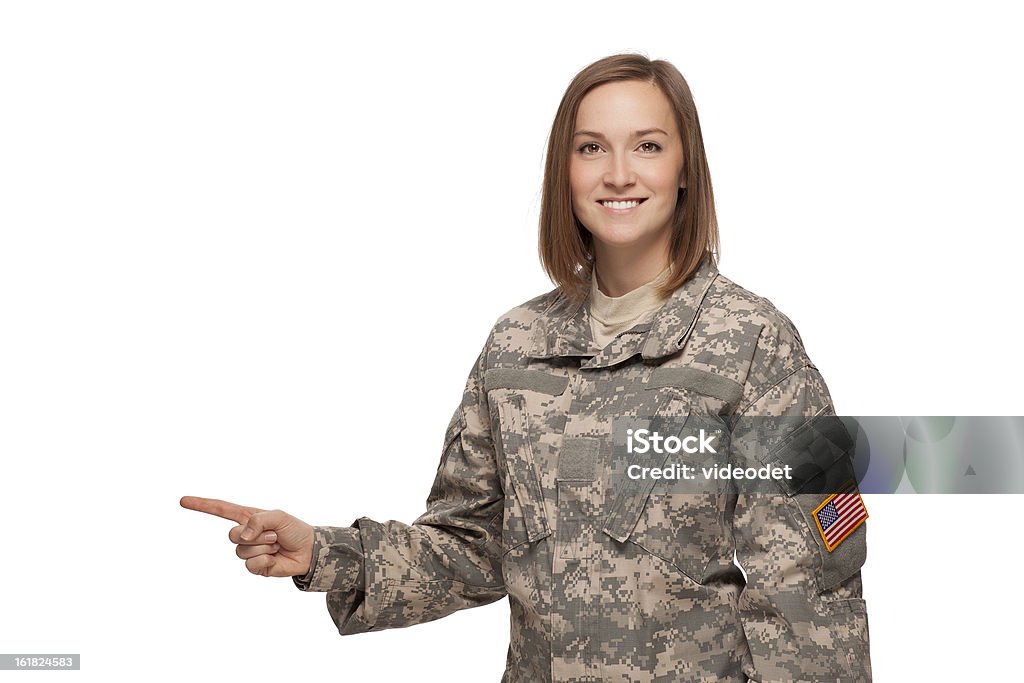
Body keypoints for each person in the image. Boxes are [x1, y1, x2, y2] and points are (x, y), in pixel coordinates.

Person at [181, 53, 871, 682]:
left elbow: (812, 586)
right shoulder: (516, 347)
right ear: (563, 169)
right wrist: (324, 553)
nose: (619, 173)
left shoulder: (756, 344)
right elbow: (473, 546)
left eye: (649, 146)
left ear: (685, 166)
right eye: (591, 147)